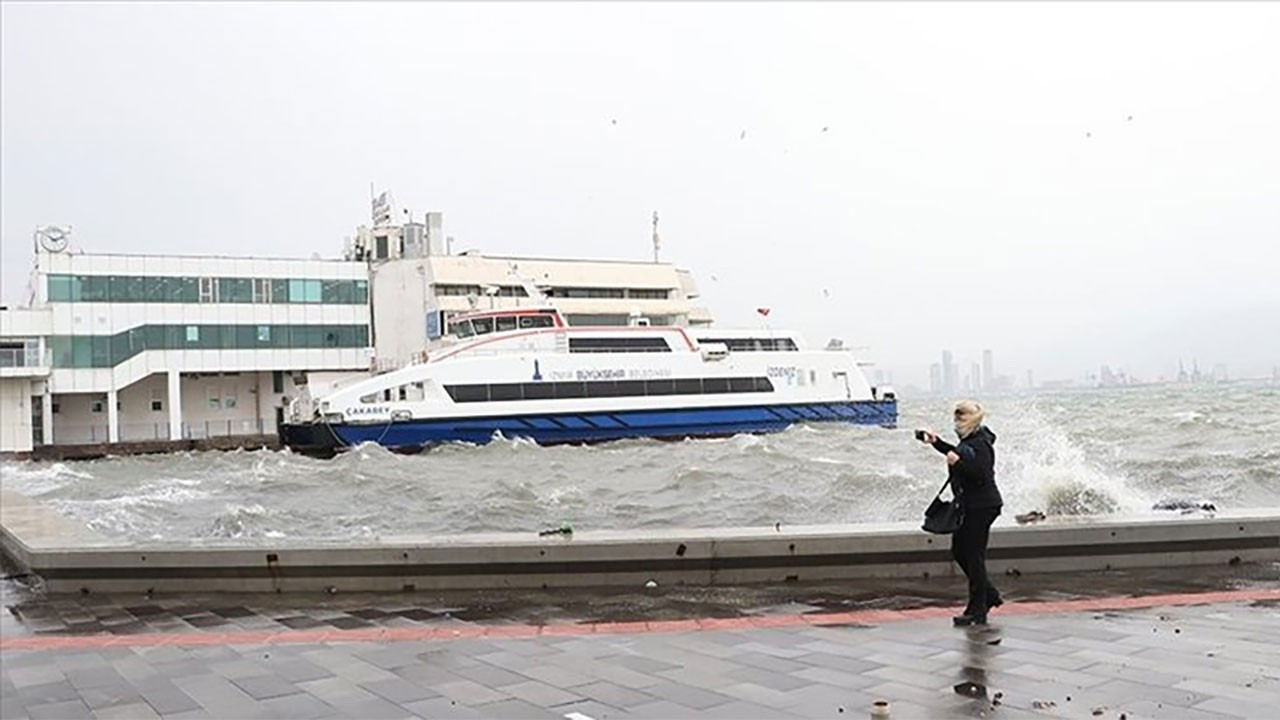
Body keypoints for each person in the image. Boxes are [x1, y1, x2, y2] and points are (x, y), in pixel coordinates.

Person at [919, 400, 1003, 626]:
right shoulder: (968, 441)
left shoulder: (981, 443)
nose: (956, 422)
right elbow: (957, 453)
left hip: (982, 506)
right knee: (960, 551)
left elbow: (980, 474)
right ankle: (989, 595)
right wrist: (936, 443)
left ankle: (978, 610)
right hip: (970, 506)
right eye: (955, 418)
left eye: (960, 418)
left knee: (973, 557)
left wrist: (957, 464)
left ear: (971, 420)